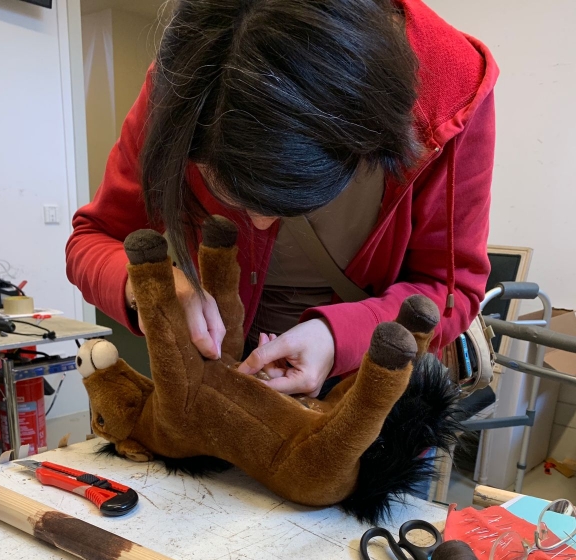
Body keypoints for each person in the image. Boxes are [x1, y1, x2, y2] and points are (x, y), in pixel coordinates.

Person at [67, 0, 498, 398]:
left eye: (288, 201)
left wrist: (340, 338)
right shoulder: (184, 81)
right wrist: (150, 290)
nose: (255, 224)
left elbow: (451, 289)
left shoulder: (453, 94)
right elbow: (91, 238)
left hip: (367, 387)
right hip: (216, 378)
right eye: (226, 192)